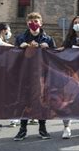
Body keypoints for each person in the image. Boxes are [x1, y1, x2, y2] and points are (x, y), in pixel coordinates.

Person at [13, 12, 56, 141]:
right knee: (24, 102)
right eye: (31, 21)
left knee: (42, 101)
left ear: (41, 23)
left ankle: (42, 129)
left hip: (42, 75)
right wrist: (20, 49)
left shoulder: (47, 39)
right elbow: (13, 56)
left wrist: (48, 48)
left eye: (36, 21)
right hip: (25, 75)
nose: (34, 23)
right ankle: (22, 129)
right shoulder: (21, 38)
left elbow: (55, 57)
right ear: (27, 23)